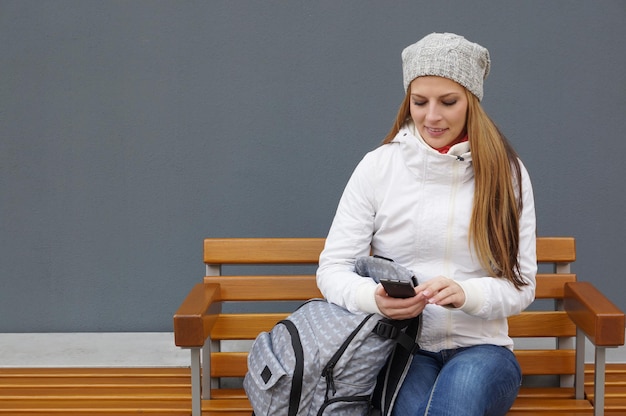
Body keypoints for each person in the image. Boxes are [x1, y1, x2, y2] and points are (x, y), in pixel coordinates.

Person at [316, 32, 537, 416]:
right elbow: (332, 269)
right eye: (420, 102)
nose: (431, 116)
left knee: (460, 397)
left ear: (472, 102)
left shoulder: (507, 173)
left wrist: (468, 294)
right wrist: (374, 299)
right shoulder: (378, 167)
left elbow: (521, 285)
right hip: (402, 348)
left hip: (484, 351)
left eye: (448, 102)